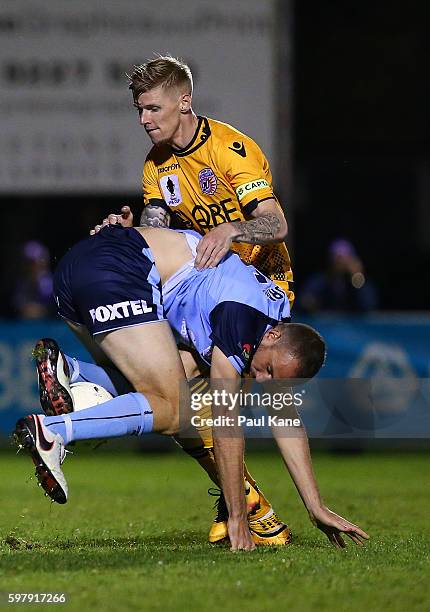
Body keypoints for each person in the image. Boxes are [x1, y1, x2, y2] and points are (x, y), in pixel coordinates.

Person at [15, 225, 369, 551]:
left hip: (80, 270)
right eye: (270, 371)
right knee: (172, 409)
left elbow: (285, 418)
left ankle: (72, 370)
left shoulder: (271, 318)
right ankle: (52, 431)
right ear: (274, 336)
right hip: (120, 269)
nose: (263, 381)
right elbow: (226, 424)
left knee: (168, 382)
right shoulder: (244, 318)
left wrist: (316, 505)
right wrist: (236, 517)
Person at [93, 54, 295, 543]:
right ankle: (245, 504)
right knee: (172, 405)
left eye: (153, 108)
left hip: (254, 291)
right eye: (139, 110)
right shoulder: (156, 165)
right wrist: (129, 236)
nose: (144, 120)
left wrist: (232, 227)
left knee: (220, 410)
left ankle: (246, 514)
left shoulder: (232, 150)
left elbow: (277, 224)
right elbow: (159, 232)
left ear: (184, 102)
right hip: (202, 293)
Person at [299, 239, 378, 313]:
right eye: (337, 257)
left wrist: (357, 276)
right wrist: (311, 303)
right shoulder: (320, 281)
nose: (341, 262)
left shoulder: (358, 282)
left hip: (353, 326)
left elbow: (369, 306)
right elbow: (304, 303)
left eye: (345, 258)